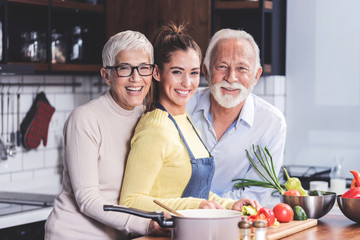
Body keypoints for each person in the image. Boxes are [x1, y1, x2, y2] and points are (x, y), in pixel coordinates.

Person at [119, 23, 260, 212]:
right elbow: (130, 201)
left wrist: (229, 205)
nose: (187, 83)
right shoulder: (154, 128)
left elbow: (192, 190)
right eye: (177, 72)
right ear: (157, 73)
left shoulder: (183, 119)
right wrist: (195, 206)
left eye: (193, 73)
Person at [45, 30, 169, 240]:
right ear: (106, 75)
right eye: (124, 68)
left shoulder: (147, 118)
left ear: (152, 72)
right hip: (74, 234)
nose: (136, 78)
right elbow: (87, 199)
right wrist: (145, 224)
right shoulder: (84, 119)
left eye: (143, 68)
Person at [186, 28, 287, 205]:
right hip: (176, 218)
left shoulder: (272, 123)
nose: (231, 78)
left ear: (256, 76)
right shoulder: (182, 106)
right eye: (222, 67)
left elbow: (254, 196)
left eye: (241, 68)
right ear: (206, 71)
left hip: (236, 226)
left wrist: (202, 206)